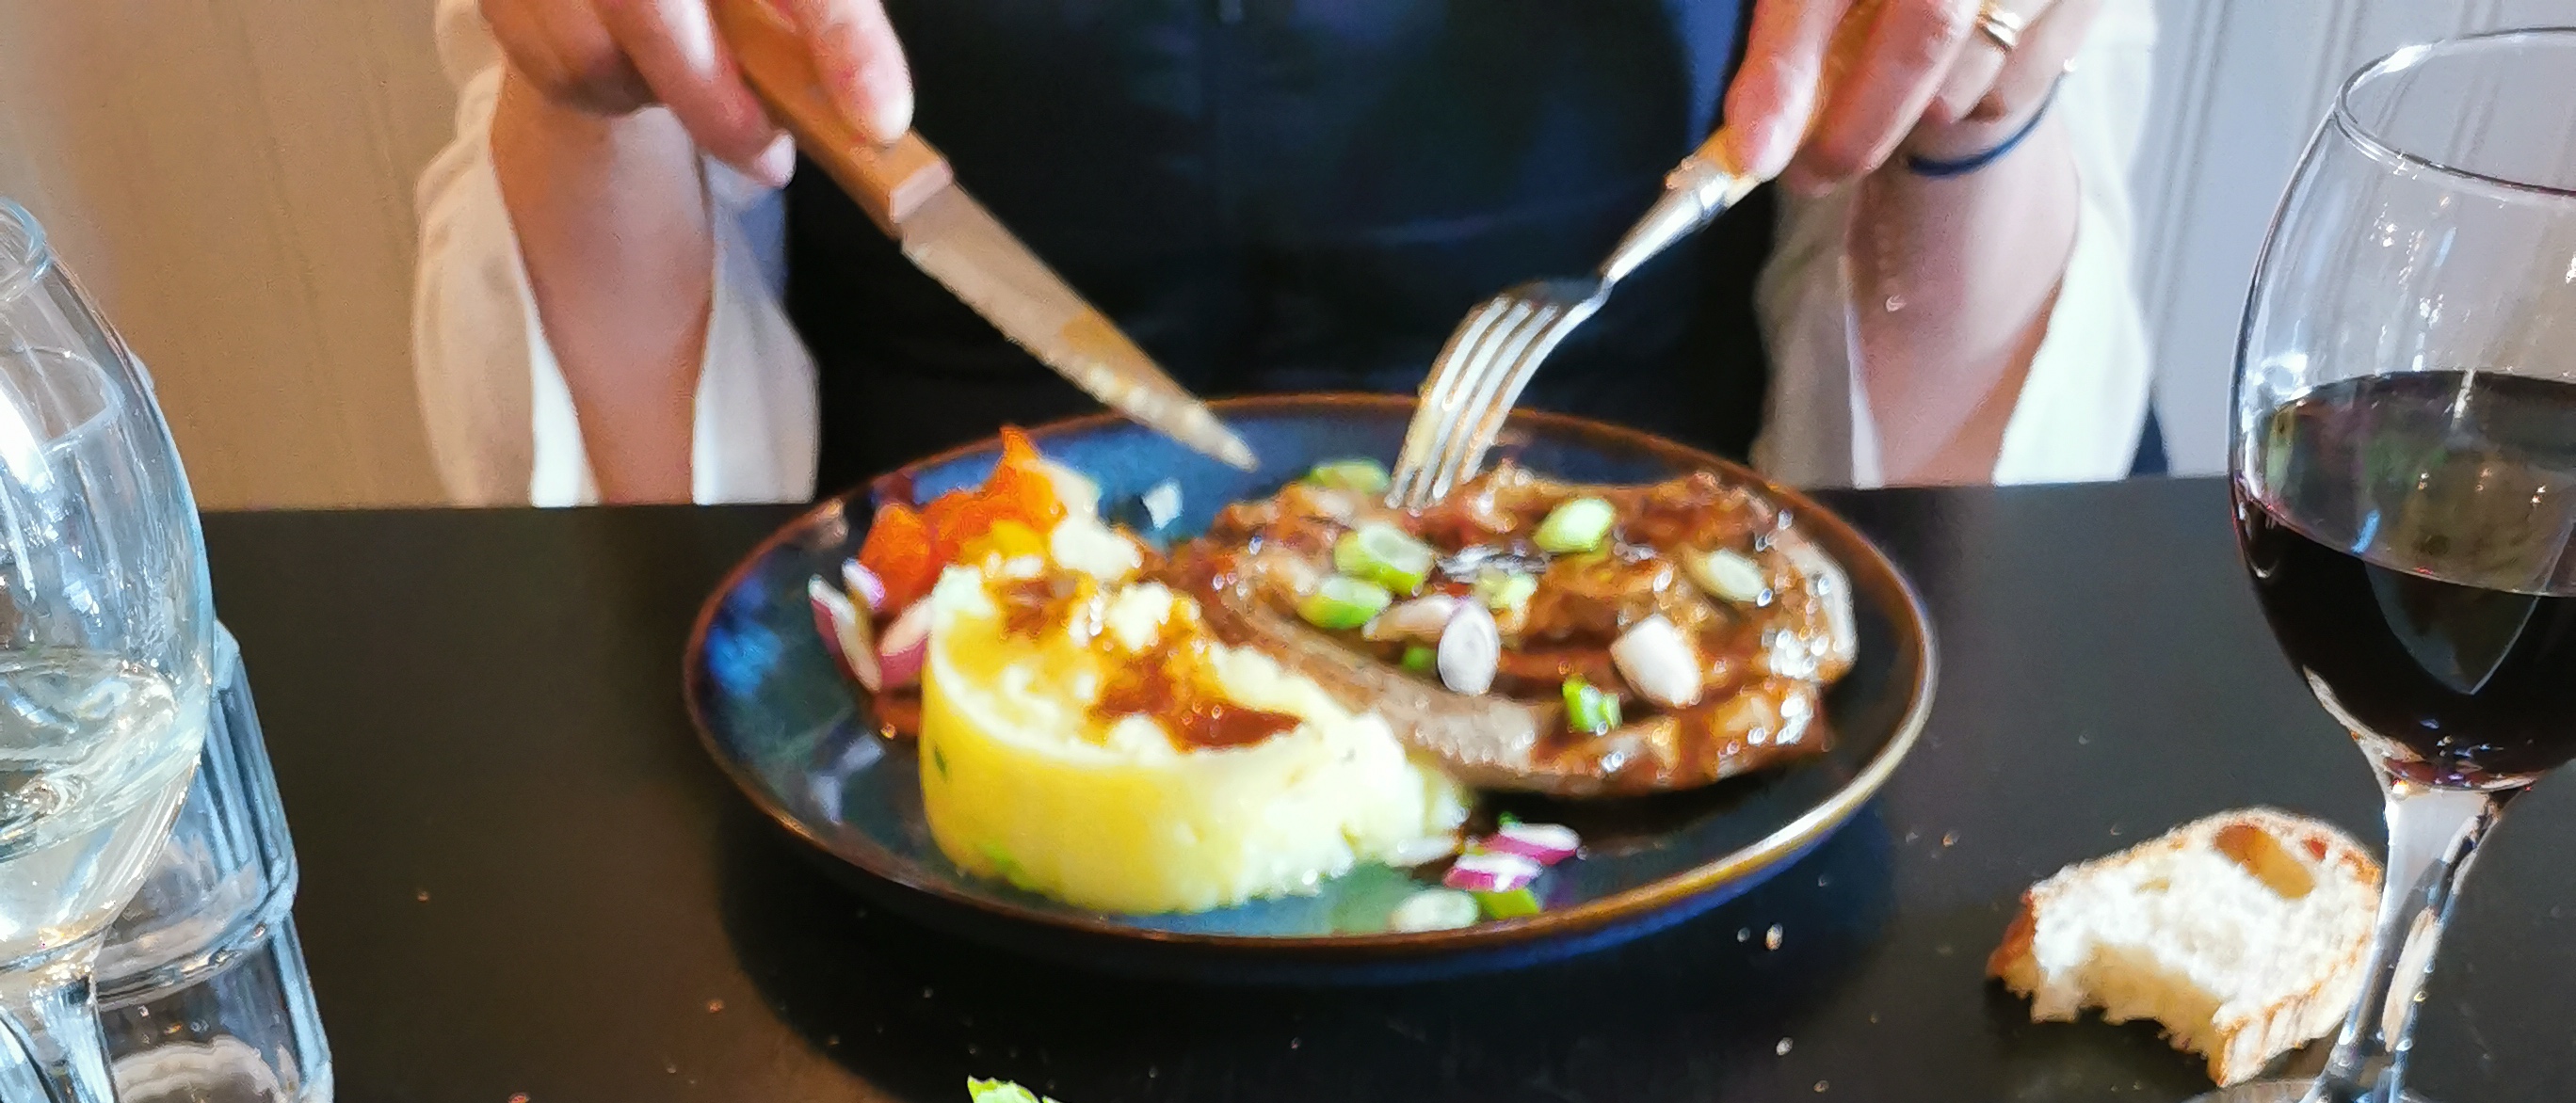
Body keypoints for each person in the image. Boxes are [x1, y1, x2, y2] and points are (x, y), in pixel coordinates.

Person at [416, 0, 2155, 508]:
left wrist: (1968, 100)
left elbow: (1952, 504)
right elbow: (631, 519)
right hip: (915, 702)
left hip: (1664, 718)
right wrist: (599, 96)